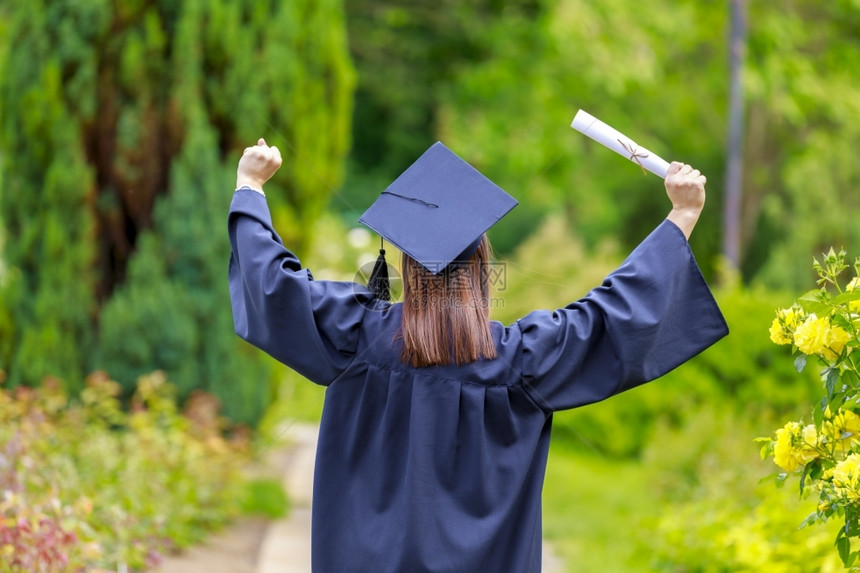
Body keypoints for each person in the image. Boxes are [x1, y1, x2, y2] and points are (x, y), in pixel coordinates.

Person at [228, 138, 728, 573]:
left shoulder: (356, 335)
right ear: (482, 269)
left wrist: (250, 185)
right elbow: (611, 315)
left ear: (409, 267)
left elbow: (274, 284)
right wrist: (681, 215)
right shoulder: (523, 359)